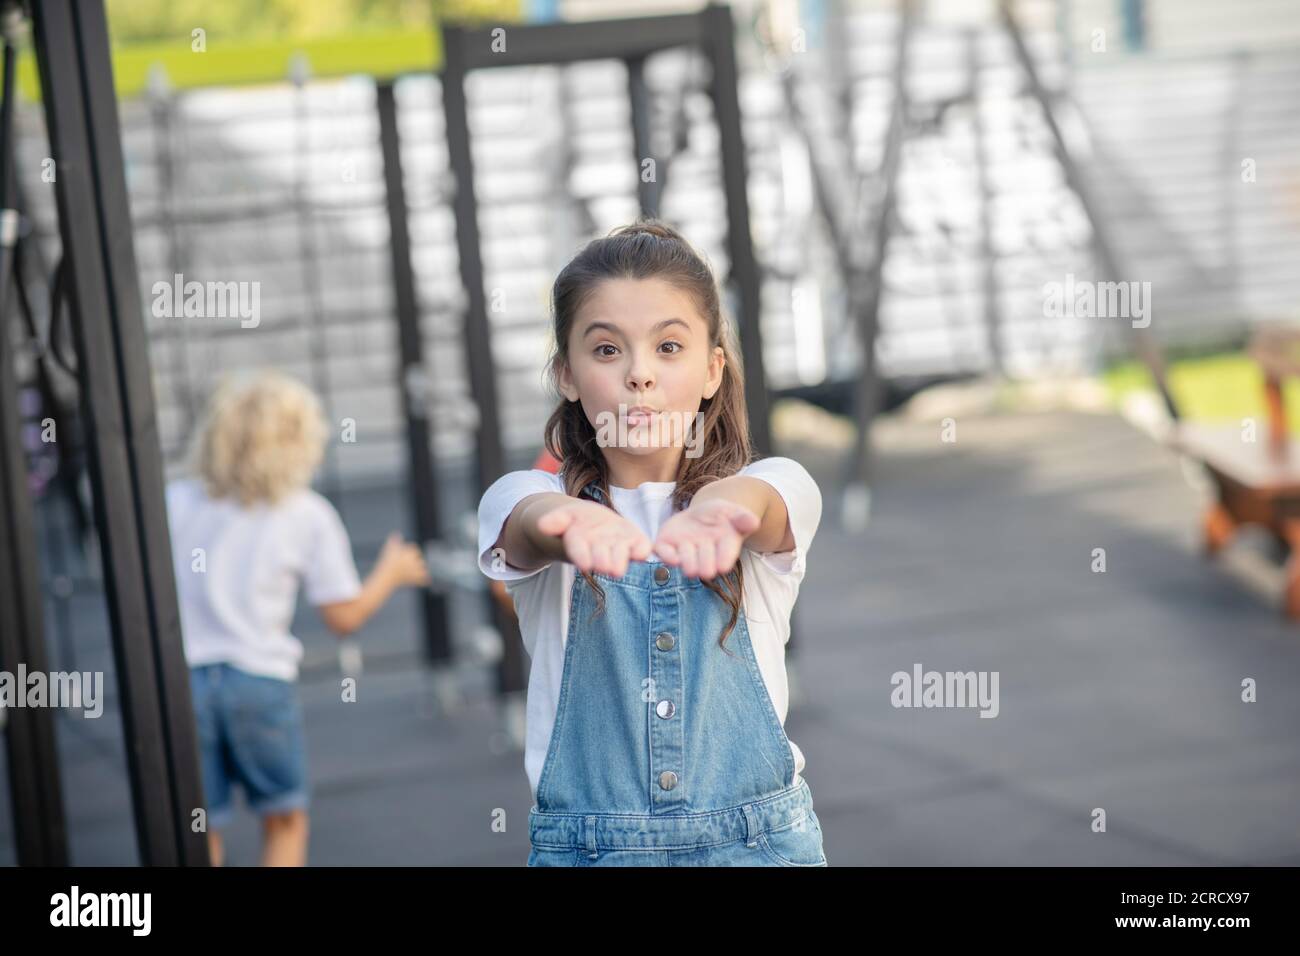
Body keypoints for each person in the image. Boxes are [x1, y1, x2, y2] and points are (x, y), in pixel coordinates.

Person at [477, 220, 826, 866]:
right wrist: (565, 521)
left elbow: (778, 496)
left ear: (713, 369)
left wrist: (723, 505)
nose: (640, 374)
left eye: (669, 347)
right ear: (567, 375)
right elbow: (521, 521)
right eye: (607, 350)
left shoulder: (764, 494)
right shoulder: (526, 500)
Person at [166, 370, 430, 866]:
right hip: (257, 681)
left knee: (201, 824)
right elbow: (344, 616)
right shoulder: (306, 514)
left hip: (182, 685)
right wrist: (390, 574)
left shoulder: (176, 501)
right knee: (285, 818)